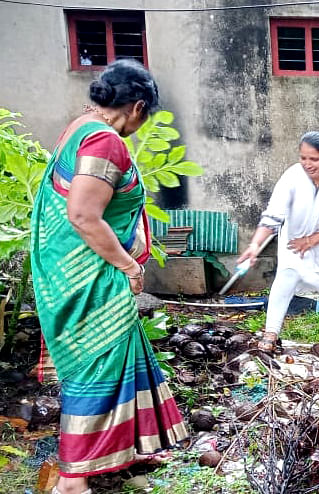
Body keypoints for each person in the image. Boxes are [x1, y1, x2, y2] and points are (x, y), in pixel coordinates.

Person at [31, 59, 188, 494]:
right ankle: (72, 480)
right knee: (96, 366)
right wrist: (129, 264)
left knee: (120, 356)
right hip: (89, 279)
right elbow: (82, 213)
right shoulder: (105, 142)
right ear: (138, 107)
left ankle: (128, 449)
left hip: (73, 273)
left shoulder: (80, 127)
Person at [238, 131, 319, 360]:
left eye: (314, 159)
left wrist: (311, 240)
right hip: (295, 247)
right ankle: (271, 334)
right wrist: (255, 244)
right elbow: (273, 214)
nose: (307, 164)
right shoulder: (292, 176)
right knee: (284, 282)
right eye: (303, 158)